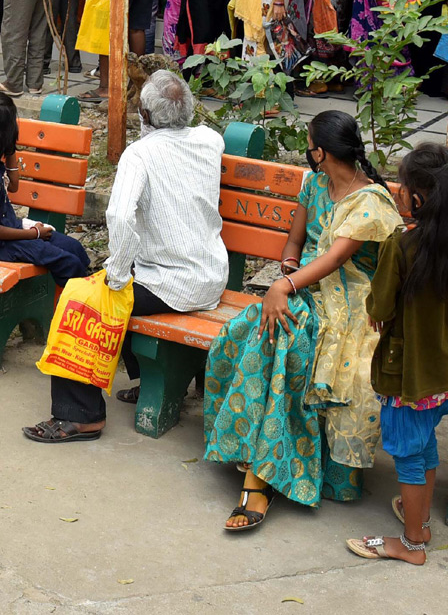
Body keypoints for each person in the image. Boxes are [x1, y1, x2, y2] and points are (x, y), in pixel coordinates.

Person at [205, 111, 402, 530]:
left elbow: (335, 259)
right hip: (304, 287)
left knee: (279, 339)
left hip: (351, 300)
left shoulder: (369, 202)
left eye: (309, 143)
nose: (306, 151)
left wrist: (284, 288)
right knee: (253, 332)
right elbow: (296, 240)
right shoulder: (314, 184)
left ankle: (259, 477)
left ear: (320, 151)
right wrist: (289, 267)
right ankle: (258, 465)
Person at [25, 72, 227, 442]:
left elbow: (118, 216)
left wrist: (115, 275)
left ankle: (81, 416)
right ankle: (152, 378)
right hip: (212, 275)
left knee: (80, 298)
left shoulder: (140, 154)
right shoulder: (210, 140)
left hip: (171, 283)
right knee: (121, 281)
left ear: (145, 116)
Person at [346, 143, 448, 565]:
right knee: (423, 443)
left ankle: (410, 545)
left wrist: (378, 312)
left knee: (407, 451)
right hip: (440, 378)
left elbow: (379, 309)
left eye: (402, 187)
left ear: (418, 199)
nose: (398, 192)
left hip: (406, 376)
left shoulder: (404, 247)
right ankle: (419, 521)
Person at [0, 91, 89, 278]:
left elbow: (14, 186)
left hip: (7, 230)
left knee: (73, 247)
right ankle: (72, 302)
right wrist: (34, 233)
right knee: (68, 262)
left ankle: (86, 285)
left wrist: (9, 149)